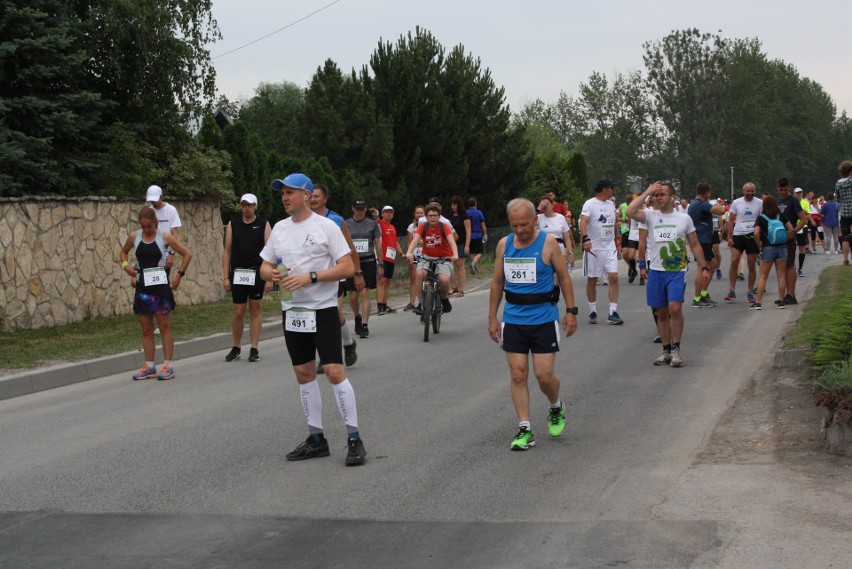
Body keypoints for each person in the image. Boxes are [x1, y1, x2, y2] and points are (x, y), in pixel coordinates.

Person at [259, 172, 366, 466]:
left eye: (290, 192)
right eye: (282, 193)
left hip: (322, 309)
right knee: (304, 374)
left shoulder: (326, 226)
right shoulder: (279, 229)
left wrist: (312, 277)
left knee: (333, 371)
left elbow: (346, 267)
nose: (284, 197)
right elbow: (264, 268)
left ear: (306, 195)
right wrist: (274, 274)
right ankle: (316, 439)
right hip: (293, 313)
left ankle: (354, 438)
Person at [488, 198, 578, 451]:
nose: (519, 230)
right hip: (514, 318)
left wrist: (571, 311)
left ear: (535, 220)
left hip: (543, 318)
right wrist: (492, 317)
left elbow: (564, 277)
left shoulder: (548, 243)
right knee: (518, 374)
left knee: (543, 375)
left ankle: (555, 405)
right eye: (514, 225)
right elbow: (496, 282)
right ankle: (525, 428)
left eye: (524, 225)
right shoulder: (504, 245)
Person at [628, 182, 711, 367]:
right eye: (656, 195)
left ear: (672, 197)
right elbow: (630, 212)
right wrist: (647, 192)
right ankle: (665, 351)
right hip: (656, 271)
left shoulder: (684, 219)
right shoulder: (650, 215)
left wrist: (704, 267)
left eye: (662, 195)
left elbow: (695, 245)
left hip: (676, 270)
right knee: (662, 312)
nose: (658, 198)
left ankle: (676, 349)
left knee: (674, 308)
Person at [120, 207, 192, 381]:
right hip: (143, 288)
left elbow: (187, 254)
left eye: (149, 227)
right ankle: (150, 365)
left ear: (156, 223)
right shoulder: (134, 237)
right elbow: (123, 253)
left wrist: (179, 275)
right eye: (143, 227)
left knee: (165, 327)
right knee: (146, 329)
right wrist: (127, 267)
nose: (146, 230)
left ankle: (168, 365)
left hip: (160, 289)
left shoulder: (164, 237)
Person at [309, 184, 360, 373]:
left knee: (333, 315)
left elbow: (350, 249)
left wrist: (357, 273)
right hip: (312, 279)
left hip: (334, 276)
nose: (313, 199)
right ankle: (337, 350)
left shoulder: (336, 220)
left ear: (325, 199)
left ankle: (341, 348)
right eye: (310, 196)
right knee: (318, 317)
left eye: (317, 196)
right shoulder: (303, 220)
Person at [222, 193, 272, 362]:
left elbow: (270, 251)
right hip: (238, 274)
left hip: (256, 273)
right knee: (238, 311)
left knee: (255, 309)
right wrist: (225, 277)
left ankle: (254, 347)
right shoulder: (233, 224)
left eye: (250, 205)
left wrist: (270, 278)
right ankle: (236, 347)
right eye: (244, 204)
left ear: (255, 206)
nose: (247, 208)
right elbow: (227, 251)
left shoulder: (263, 224)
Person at [579, 179, 622, 324]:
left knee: (614, 277)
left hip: (609, 246)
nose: (613, 191)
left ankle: (613, 312)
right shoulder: (590, 204)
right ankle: (592, 311)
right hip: (594, 248)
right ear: (604, 189)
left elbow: (613, 222)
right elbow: (583, 221)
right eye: (611, 188)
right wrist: (585, 239)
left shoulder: (611, 204)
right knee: (592, 279)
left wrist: (618, 237)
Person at [405, 204, 459, 315]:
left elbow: (452, 242)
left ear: (439, 217)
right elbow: (415, 241)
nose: (433, 218)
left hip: (443, 258)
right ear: (426, 217)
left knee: (444, 280)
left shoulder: (444, 227)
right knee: (419, 274)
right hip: (426, 257)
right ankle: (421, 303)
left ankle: (444, 298)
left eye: (435, 215)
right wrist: (409, 252)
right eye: (430, 216)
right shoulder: (423, 227)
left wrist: (455, 255)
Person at [345, 198, 382, 338]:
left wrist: (381, 264)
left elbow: (378, 243)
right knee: (353, 296)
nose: (360, 211)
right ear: (353, 209)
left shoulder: (373, 224)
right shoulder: (346, 224)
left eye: (362, 209)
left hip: (368, 261)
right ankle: (357, 316)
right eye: (357, 208)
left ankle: (365, 325)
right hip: (352, 262)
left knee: (365, 292)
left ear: (365, 209)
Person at [752, 195, 794, 310]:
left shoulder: (761, 218)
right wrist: (785, 239)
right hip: (782, 248)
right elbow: (791, 229)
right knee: (781, 276)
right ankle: (781, 301)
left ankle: (758, 302)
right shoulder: (780, 216)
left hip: (768, 248)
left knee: (763, 276)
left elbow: (756, 233)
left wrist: (759, 244)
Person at [687, 183, 726, 307]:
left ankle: (703, 293)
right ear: (707, 193)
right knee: (702, 268)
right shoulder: (701, 204)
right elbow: (721, 211)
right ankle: (697, 298)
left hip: (703, 238)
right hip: (702, 239)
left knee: (713, 264)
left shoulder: (693, 204)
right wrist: (718, 203)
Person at [724, 182, 762, 304]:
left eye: (752, 191)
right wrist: (729, 236)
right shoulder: (737, 203)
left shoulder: (759, 203)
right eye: (748, 191)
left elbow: (762, 220)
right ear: (743, 191)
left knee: (751, 264)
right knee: (734, 260)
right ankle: (731, 290)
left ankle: (750, 291)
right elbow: (730, 220)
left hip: (752, 235)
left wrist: (760, 237)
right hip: (739, 235)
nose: (750, 193)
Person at [775, 178, 808, 304]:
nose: (783, 192)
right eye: (781, 190)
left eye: (785, 190)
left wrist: (793, 231)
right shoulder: (777, 201)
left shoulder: (793, 200)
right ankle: (783, 296)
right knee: (781, 267)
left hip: (789, 238)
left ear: (789, 188)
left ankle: (791, 294)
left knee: (789, 265)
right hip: (777, 238)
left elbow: (803, 219)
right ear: (777, 188)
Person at [373, 205, 404, 314]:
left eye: (391, 212)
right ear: (382, 214)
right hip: (383, 258)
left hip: (391, 258)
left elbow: (395, 242)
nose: (388, 214)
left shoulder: (393, 227)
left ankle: (385, 305)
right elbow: (376, 217)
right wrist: (375, 212)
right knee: (381, 281)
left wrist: (402, 253)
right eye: (386, 212)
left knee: (387, 282)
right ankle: (379, 306)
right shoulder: (380, 224)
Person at [146, 185, 182, 277]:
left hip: (165, 254)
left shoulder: (171, 210)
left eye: (155, 200)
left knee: (163, 282)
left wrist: (171, 254)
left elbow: (174, 235)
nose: (153, 202)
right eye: (152, 201)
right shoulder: (149, 211)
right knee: (149, 283)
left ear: (161, 196)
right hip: (150, 253)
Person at [536, 195, 574, 282]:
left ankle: (555, 295)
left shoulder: (560, 218)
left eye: (547, 204)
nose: (545, 206)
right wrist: (539, 208)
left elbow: (567, 238)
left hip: (559, 248)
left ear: (552, 205)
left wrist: (571, 254)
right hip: (544, 249)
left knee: (557, 277)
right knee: (547, 276)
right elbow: (529, 221)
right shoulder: (538, 218)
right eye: (543, 204)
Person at [448, 195, 471, 297]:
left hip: (461, 243)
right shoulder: (450, 216)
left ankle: (461, 289)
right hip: (451, 244)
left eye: (454, 204)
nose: (453, 207)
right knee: (450, 266)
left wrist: (467, 245)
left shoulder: (465, 216)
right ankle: (453, 287)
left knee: (460, 266)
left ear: (459, 205)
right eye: (452, 204)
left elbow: (468, 231)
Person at [404, 205, 426, 311]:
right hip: (415, 253)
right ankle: (412, 302)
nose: (419, 214)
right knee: (413, 277)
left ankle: (424, 301)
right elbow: (409, 241)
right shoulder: (411, 227)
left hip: (425, 253)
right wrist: (409, 254)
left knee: (424, 277)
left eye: (421, 213)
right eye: (417, 212)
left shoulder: (427, 225)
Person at [834, 160, 852, 266]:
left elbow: (838, 198)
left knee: (845, 237)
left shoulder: (838, 183)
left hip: (844, 213)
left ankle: (845, 259)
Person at [617, 197, 638, 282]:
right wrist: (623, 219)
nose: (629, 204)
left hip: (635, 233)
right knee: (625, 253)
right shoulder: (622, 206)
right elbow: (617, 218)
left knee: (633, 253)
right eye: (628, 203)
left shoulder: (637, 207)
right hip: (625, 231)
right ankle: (632, 267)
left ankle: (634, 270)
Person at [793, 187, 812, 276]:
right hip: (792, 227)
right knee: (791, 248)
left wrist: (802, 215)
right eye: (797, 193)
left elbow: (808, 217)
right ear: (794, 194)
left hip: (802, 227)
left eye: (800, 193)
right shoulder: (791, 202)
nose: (799, 194)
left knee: (801, 248)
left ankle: (800, 269)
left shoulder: (805, 203)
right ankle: (792, 267)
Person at [466, 197, 487, 274]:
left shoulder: (466, 213)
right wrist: (485, 233)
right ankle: (473, 263)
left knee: (472, 253)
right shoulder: (479, 212)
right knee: (480, 252)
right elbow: (483, 224)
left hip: (469, 235)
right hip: (477, 235)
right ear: (475, 203)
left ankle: (473, 269)